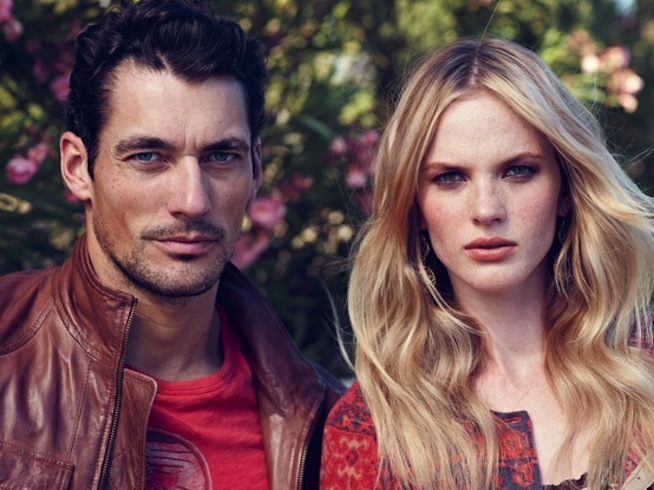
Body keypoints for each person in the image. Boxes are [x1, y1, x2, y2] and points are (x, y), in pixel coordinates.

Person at [0, 0, 344, 488]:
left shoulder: (326, 424)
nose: (192, 201)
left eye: (221, 156)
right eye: (148, 156)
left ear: (255, 170)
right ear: (78, 168)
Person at [320, 38, 654, 489]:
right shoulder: (369, 430)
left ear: (565, 190)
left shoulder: (644, 366)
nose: (486, 209)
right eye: (449, 177)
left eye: (518, 171)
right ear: (415, 205)